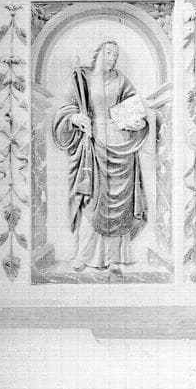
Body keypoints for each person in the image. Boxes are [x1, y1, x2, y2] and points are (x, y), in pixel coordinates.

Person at [52, 40, 149, 273]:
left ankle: (115, 258)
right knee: (92, 200)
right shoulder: (82, 78)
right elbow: (67, 108)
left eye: (115, 54)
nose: (112, 57)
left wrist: (138, 122)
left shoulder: (121, 80)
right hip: (94, 145)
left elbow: (136, 108)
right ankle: (83, 255)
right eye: (108, 52)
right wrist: (74, 118)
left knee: (120, 203)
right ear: (97, 53)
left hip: (121, 145)